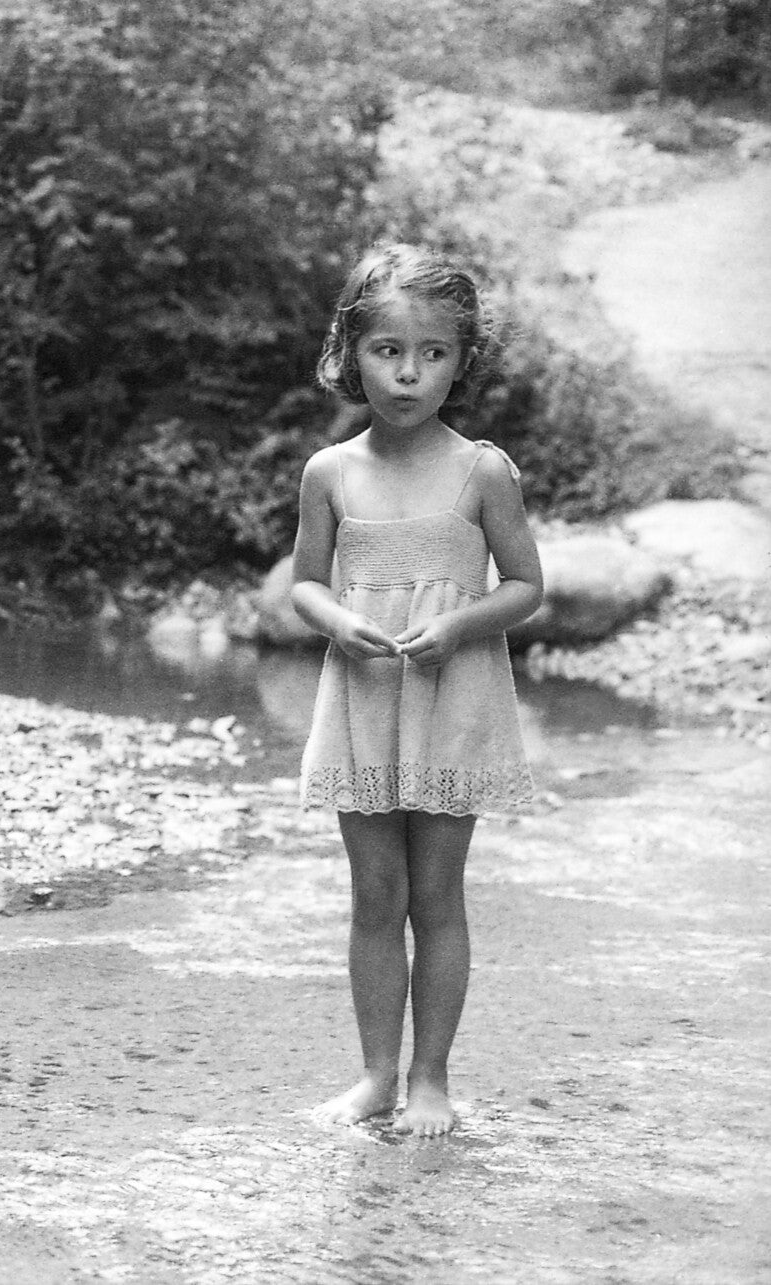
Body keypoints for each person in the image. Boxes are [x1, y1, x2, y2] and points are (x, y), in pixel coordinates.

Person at [290, 243, 544, 1138]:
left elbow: (524, 584)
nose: (408, 372)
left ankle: (431, 1078)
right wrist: (333, 620)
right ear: (348, 353)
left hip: (451, 693)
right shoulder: (330, 472)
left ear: (460, 361)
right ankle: (373, 1076)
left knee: (436, 896)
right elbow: (304, 582)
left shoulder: (482, 471)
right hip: (361, 693)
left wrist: (458, 625)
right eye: (386, 350)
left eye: (432, 353)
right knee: (373, 896)